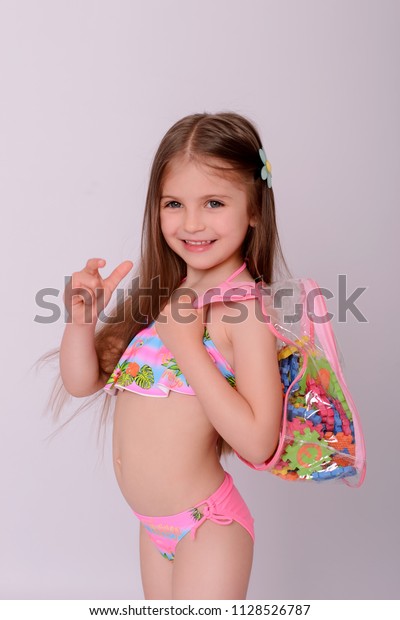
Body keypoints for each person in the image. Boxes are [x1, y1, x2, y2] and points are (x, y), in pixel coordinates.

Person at [58, 112, 290, 600]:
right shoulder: (168, 293)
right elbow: (83, 382)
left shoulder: (242, 310)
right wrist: (82, 320)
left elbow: (258, 442)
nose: (191, 223)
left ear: (253, 210)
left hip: (207, 527)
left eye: (213, 202)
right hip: (152, 528)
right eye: (173, 204)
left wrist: (187, 350)